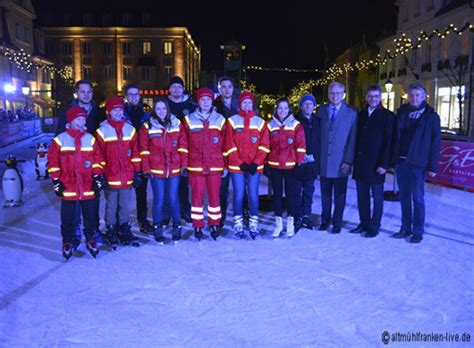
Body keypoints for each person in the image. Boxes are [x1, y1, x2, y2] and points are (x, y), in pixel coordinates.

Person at [55, 80, 106, 244]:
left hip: (91, 164)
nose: (86, 95)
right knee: (73, 203)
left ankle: (93, 231)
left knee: (92, 200)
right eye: (83, 92)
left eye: (89, 91)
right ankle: (74, 232)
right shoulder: (67, 113)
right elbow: (59, 140)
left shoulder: (98, 112)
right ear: (77, 93)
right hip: (72, 165)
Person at [47, 106, 100, 260]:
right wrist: (56, 180)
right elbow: (53, 161)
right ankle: (68, 240)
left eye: (83, 119)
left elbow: (97, 160)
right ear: (70, 120)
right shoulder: (60, 139)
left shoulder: (90, 138)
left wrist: (97, 177)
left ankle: (91, 238)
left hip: (87, 184)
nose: (81, 122)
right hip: (68, 184)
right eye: (78, 119)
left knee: (90, 215)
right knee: (68, 216)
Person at [392, 83, 441, 243]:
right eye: (411, 95)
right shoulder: (401, 112)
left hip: (418, 164)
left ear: (424, 97)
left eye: (417, 95)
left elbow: (435, 142)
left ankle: (418, 230)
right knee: (404, 197)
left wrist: (433, 166)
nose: (414, 98)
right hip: (401, 162)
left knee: (418, 199)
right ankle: (406, 228)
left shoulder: (431, 116)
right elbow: (395, 138)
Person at [94, 96, 143, 247]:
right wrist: (99, 175)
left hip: (127, 175)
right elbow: (98, 155)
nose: (117, 112)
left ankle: (124, 228)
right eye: (114, 110)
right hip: (111, 176)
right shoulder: (102, 131)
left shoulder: (130, 130)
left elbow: (135, 153)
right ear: (108, 112)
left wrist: (137, 172)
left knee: (125, 204)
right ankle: (111, 229)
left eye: (120, 109)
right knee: (111, 205)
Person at [139, 97, 188, 243]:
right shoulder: (148, 125)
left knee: (173, 199)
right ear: (155, 110)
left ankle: (176, 226)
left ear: (168, 109)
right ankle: (157, 227)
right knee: (159, 200)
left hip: (174, 168)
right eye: (158, 109)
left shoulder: (177, 123)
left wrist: (184, 165)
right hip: (156, 169)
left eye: (164, 109)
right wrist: (146, 168)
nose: (161, 112)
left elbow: (183, 145)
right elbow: (144, 150)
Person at [351, 85, 394, 238]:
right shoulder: (361, 114)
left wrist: (384, 164)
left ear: (380, 97)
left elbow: (389, 142)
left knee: (377, 198)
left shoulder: (388, 116)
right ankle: (364, 223)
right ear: (366, 97)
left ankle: (375, 226)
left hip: (377, 165)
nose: (373, 99)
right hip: (361, 164)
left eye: (376, 96)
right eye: (370, 96)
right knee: (362, 197)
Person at [183, 88, 226, 241]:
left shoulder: (220, 119)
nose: (206, 102)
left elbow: (225, 144)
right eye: (203, 100)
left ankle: (214, 223)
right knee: (197, 198)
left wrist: (225, 164)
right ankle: (198, 224)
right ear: (198, 102)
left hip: (215, 165)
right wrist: (184, 163)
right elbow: (183, 143)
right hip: (196, 166)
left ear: (212, 101)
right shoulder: (189, 119)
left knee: (215, 198)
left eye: (208, 99)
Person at [225, 91, 269, 239]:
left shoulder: (260, 122)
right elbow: (229, 144)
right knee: (238, 194)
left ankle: (253, 222)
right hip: (237, 166)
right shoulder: (232, 121)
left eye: (249, 102)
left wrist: (256, 163)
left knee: (253, 195)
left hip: (253, 167)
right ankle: (238, 222)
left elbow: (264, 145)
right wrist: (240, 163)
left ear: (253, 104)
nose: (247, 105)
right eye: (244, 102)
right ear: (240, 104)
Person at [316, 81, 358, 234]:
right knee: (325, 194)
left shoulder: (352, 113)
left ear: (343, 95)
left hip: (341, 162)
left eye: (338, 93)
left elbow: (352, 139)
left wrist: (348, 160)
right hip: (324, 162)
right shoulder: (321, 111)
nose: (335, 96)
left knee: (340, 195)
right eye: (332, 93)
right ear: (328, 94)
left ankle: (337, 223)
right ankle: (325, 220)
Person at [267, 98, 306, 238]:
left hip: (291, 166)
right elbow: (266, 146)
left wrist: (299, 162)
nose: (282, 111)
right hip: (275, 166)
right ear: (276, 109)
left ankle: (290, 222)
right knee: (277, 195)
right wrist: (266, 164)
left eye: (285, 108)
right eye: (279, 108)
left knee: (291, 195)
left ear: (289, 109)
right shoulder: (270, 125)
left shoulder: (296, 125)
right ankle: (278, 224)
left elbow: (300, 145)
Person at [166, 76, 196, 223]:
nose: (176, 89)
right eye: (174, 87)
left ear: (183, 89)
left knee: (183, 182)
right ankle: (168, 212)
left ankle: (185, 209)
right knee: (168, 183)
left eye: (179, 86)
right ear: (169, 89)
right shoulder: (164, 105)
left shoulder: (190, 106)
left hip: (186, 149)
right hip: (167, 149)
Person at [124, 84, 152, 234]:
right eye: (131, 94)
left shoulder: (146, 116)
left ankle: (142, 220)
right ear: (126, 97)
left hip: (141, 161)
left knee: (142, 194)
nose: (134, 97)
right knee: (123, 196)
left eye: (136, 94)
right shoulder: (120, 114)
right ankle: (122, 223)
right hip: (124, 161)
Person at [214, 76, 240, 229]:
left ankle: (242, 215)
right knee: (221, 189)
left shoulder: (241, 104)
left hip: (239, 152)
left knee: (240, 189)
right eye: (223, 86)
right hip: (221, 153)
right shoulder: (214, 105)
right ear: (219, 89)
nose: (226, 89)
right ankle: (220, 218)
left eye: (229, 86)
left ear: (233, 88)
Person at [294, 94, 319, 232]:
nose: (308, 106)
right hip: (298, 163)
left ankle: (306, 215)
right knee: (296, 192)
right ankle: (298, 216)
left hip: (312, 164)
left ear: (314, 106)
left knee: (309, 191)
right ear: (301, 106)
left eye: (311, 103)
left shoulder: (317, 120)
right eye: (305, 103)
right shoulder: (295, 120)